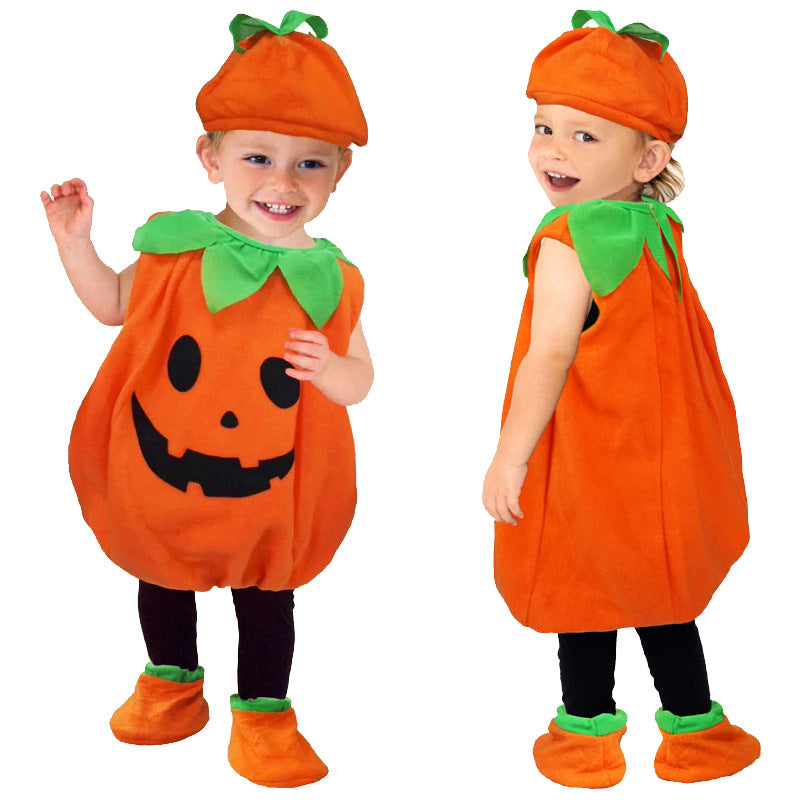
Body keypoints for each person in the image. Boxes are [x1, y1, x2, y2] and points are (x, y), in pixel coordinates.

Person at [40, 11, 371, 789]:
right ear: (210, 158)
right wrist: (75, 245)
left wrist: (329, 368)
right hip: (169, 478)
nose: (282, 183)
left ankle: (262, 715)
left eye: (310, 166)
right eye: (259, 157)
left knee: (268, 604)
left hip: (271, 492)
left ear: (338, 175)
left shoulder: (332, 280)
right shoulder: (173, 248)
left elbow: (360, 380)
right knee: (162, 577)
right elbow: (114, 306)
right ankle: (172, 682)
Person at [482, 10, 759, 788]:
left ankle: (585, 738)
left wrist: (511, 455)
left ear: (650, 156)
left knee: (585, 595)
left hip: (591, 461)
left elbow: (551, 352)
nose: (553, 151)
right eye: (544, 127)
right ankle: (697, 731)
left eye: (584, 135)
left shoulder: (569, 239)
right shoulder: (656, 229)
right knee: (664, 591)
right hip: (657, 460)